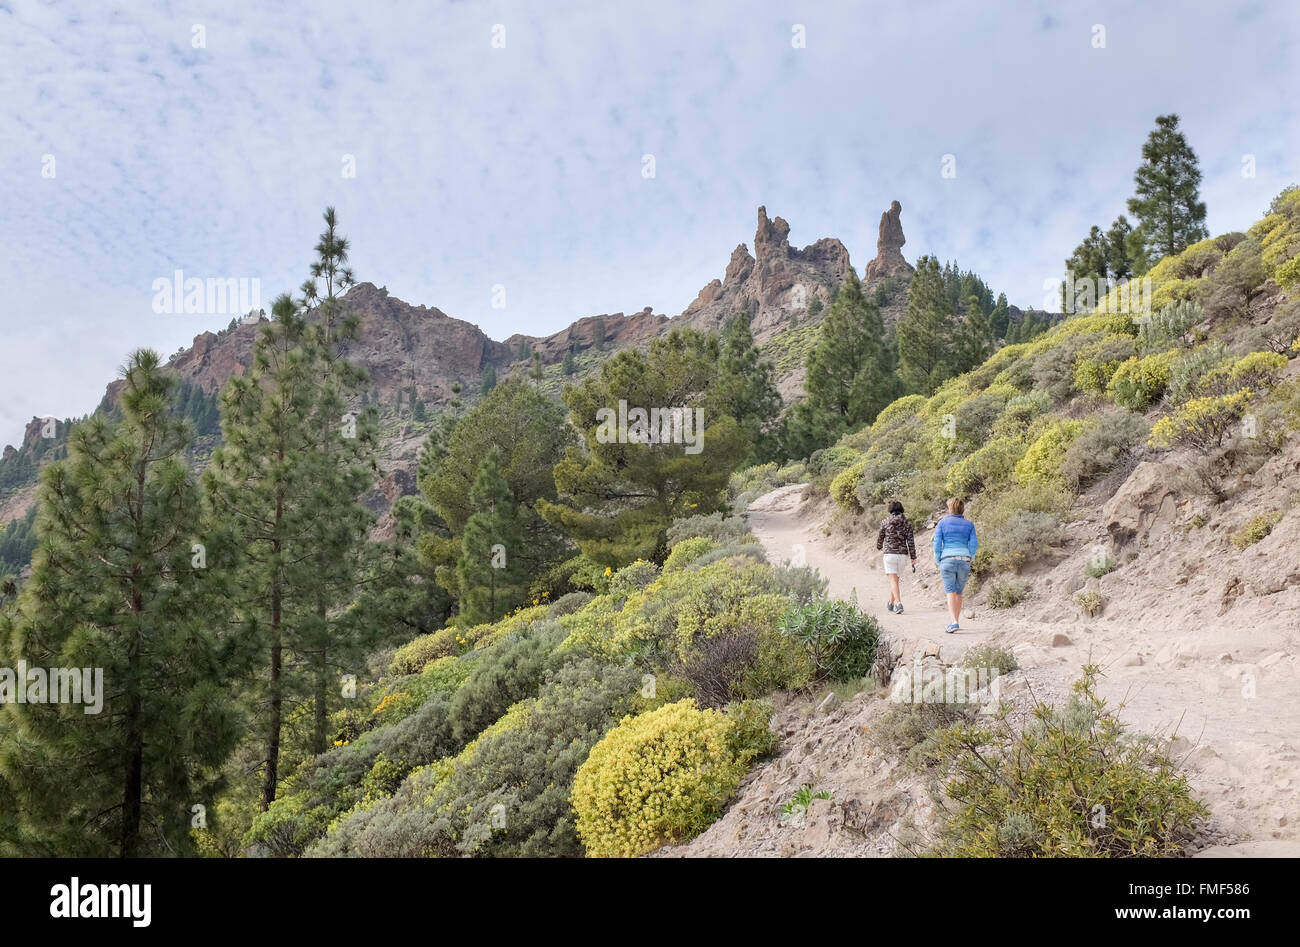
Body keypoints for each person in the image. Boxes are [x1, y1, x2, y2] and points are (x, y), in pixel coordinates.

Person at [933, 497, 978, 633]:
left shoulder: (942, 523)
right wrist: (970, 557)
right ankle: (956, 621)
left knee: (950, 591)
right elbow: (974, 544)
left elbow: (937, 543)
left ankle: (954, 622)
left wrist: (938, 559)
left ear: (950, 508)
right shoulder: (969, 524)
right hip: (964, 559)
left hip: (947, 559)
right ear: (962, 509)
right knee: (959, 592)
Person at [876, 501, 917, 614]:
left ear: (890, 510)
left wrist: (879, 546)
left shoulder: (885, 521)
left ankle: (898, 604)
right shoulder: (907, 522)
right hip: (902, 555)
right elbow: (910, 541)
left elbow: (881, 536)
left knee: (893, 580)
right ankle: (890, 603)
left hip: (890, 554)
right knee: (895, 580)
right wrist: (913, 557)